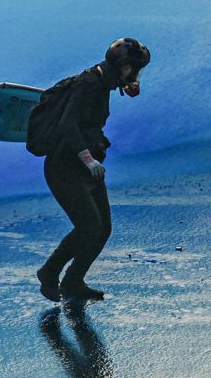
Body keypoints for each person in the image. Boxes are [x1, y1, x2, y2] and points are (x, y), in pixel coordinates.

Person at [35, 38, 151, 302]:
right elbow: (68, 125)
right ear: (123, 67)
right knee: (89, 226)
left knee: (103, 228)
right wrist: (87, 158)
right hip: (65, 168)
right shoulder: (88, 84)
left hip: (87, 168)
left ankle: (74, 281)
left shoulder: (101, 84)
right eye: (135, 69)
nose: (136, 75)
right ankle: (49, 272)